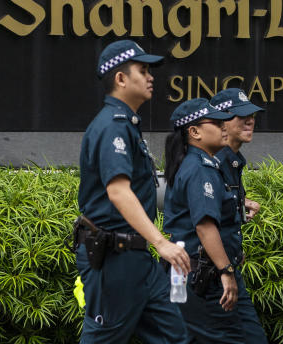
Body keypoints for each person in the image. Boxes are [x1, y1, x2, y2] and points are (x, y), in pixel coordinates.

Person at [75, 40, 190, 343]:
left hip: (137, 260)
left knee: (174, 337)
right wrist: (161, 242)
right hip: (115, 259)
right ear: (121, 79)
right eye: (143, 70)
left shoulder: (127, 124)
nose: (151, 76)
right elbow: (118, 192)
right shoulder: (113, 126)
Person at [163, 97, 244, 343]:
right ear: (194, 131)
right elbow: (205, 226)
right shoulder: (200, 167)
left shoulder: (196, 163)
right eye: (216, 122)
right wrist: (226, 271)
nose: (224, 127)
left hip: (194, 274)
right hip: (203, 278)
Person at [209, 87, 268, 344]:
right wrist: (225, 270)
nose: (250, 120)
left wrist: (241, 204)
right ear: (221, 121)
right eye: (241, 115)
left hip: (228, 270)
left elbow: (220, 204)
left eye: (252, 115)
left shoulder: (232, 161)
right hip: (212, 275)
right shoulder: (211, 161)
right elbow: (202, 221)